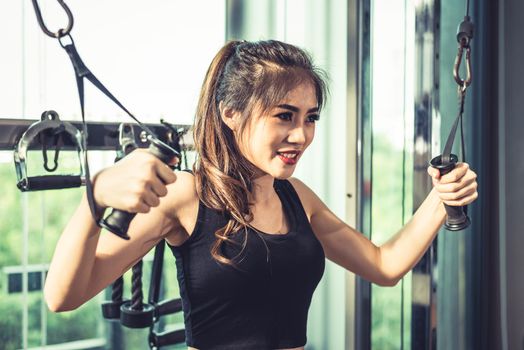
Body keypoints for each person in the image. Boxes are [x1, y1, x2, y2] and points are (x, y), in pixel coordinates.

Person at [43, 40, 478, 350]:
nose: (301, 135)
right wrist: (95, 197)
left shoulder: (296, 198)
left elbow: (384, 266)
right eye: (284, 116)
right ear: (230, 113)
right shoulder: (186, 196)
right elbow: (64, 296)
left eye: (310, 118)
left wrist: (440, 198)